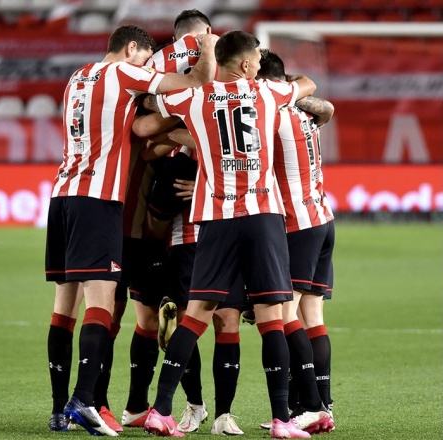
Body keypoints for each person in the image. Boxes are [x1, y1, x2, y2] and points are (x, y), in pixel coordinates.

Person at [136, 30, 317, 439]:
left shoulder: (196, 97)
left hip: (214, 217)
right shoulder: (267, 93)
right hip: (261, 215)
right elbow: (307, 85)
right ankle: (282, 420)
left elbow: (153, 104)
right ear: (249, 64)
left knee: (196, 313)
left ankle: (161, 410)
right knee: (272, 316)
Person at [45, 24, 218, 436]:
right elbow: (195, 79)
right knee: (101, 303)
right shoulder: (123, 73)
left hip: (62, 195)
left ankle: (58, 410)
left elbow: (134, 126)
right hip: (97, 200)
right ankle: (84, 400)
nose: (147, 66)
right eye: (145, 56)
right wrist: (207, 48)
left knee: (63, 308)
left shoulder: (77, 76)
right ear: (132, 48)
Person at [121, 10, 215, 431]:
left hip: (188, 224)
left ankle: (193, 405)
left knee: (191, 317)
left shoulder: (219, 82)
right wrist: (185, 135)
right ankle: (144, 406)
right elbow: (143, 137)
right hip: (146, 223)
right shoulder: (157, 78)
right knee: (156, 319)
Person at [256, 48, 336, 434]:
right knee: (313, 316)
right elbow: (326, 108)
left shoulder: (269, 117)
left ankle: (312, 406)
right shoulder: (303, 114)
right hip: (321, 218)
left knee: (287, 316)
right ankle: (323, 404)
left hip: (296, 226)